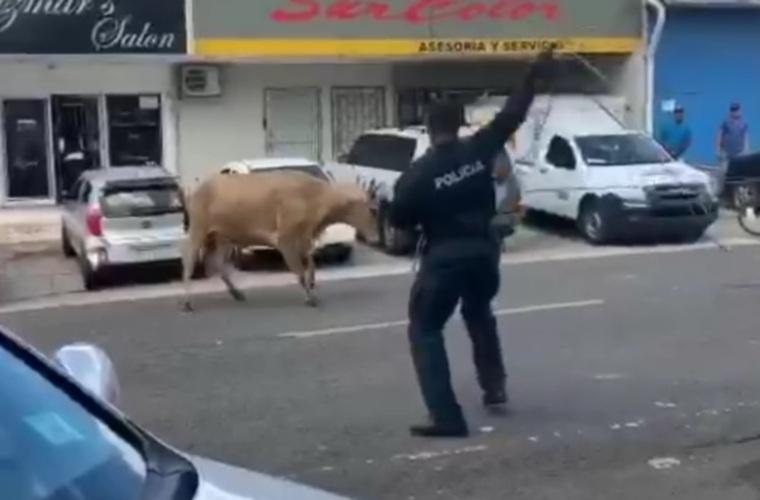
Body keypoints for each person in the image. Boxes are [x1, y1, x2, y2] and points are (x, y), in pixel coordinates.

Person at [388, 48, 556, 438]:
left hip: (445, 259)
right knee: (479, 312)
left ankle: (446, 417)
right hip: (484, 253)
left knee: (425, 329)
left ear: (428, 129)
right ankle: (494, 387)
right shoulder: (479, 148)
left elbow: (399, 221)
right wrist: (532, 77)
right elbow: (512, 115)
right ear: (460, 124)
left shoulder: (418, 175)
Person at [716, 102, 751, 195]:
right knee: (723, 173)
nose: (735, 112)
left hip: (739, 154)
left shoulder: (744, 123)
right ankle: (721, 193)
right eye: (733, 110)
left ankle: (740, 193)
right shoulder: (726, 122)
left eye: (736, 110)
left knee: (740, 175)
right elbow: (719, 135)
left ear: (740, 111)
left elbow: (746, 137)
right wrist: (718, 150)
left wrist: (746, 150)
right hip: (726, 153)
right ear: (730, 112)